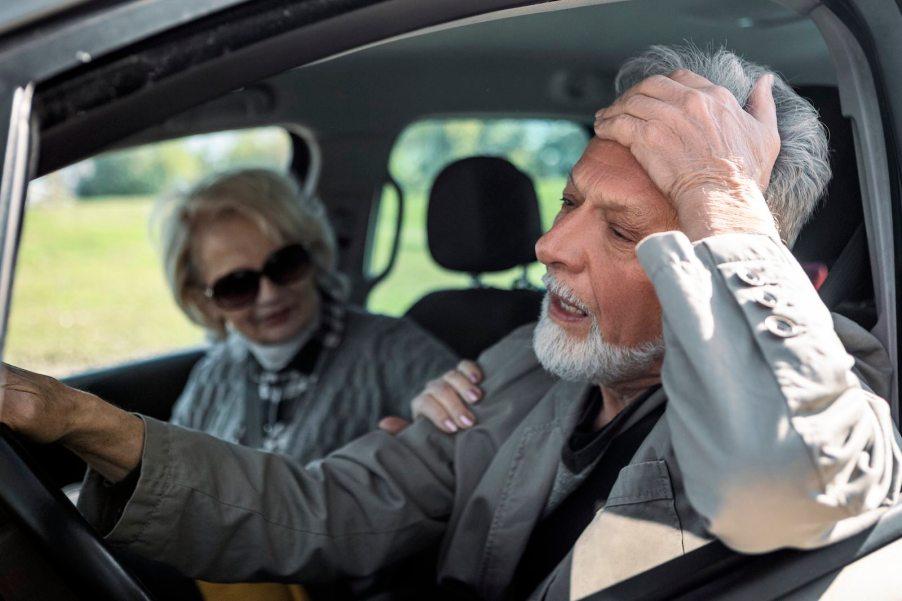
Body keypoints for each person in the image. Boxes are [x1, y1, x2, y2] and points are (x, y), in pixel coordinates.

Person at [2, 44, 900, 601]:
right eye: (568, 200)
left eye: (620, 229)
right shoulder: (521, 365)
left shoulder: (839, 395)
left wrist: (720, 197)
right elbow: (319, 508)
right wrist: (84, 423)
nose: (548, 243)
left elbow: (787, 476)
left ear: (726, 252)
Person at [154, 167, 459, 461]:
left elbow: (473, 450)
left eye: (285, 264)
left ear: (313, 252)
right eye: (238, 285)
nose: (270, 294)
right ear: (204, 300)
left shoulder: (396, 350)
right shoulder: (213, 376)